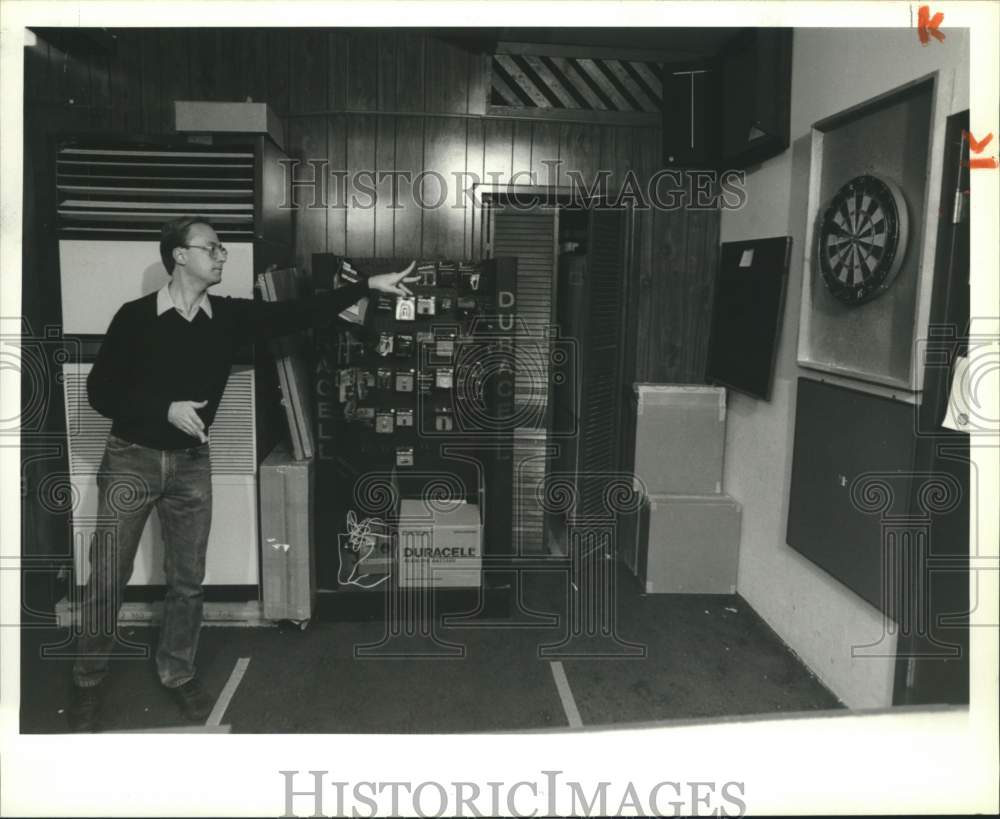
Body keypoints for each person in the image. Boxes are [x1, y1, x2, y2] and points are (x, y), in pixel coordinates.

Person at [68, 215, 416, 731]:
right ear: (179, 255)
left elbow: (297, 312)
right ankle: (88, 679)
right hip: (131, 460)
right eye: (212, 247)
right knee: (107, 577)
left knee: (187, 580)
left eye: (222, 248)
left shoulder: (227, 317)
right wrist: (164, 408)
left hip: (191, 464)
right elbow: (100, 393)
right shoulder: (135, 318)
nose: (222, 255)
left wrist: (366, 285)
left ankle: (177, 672)